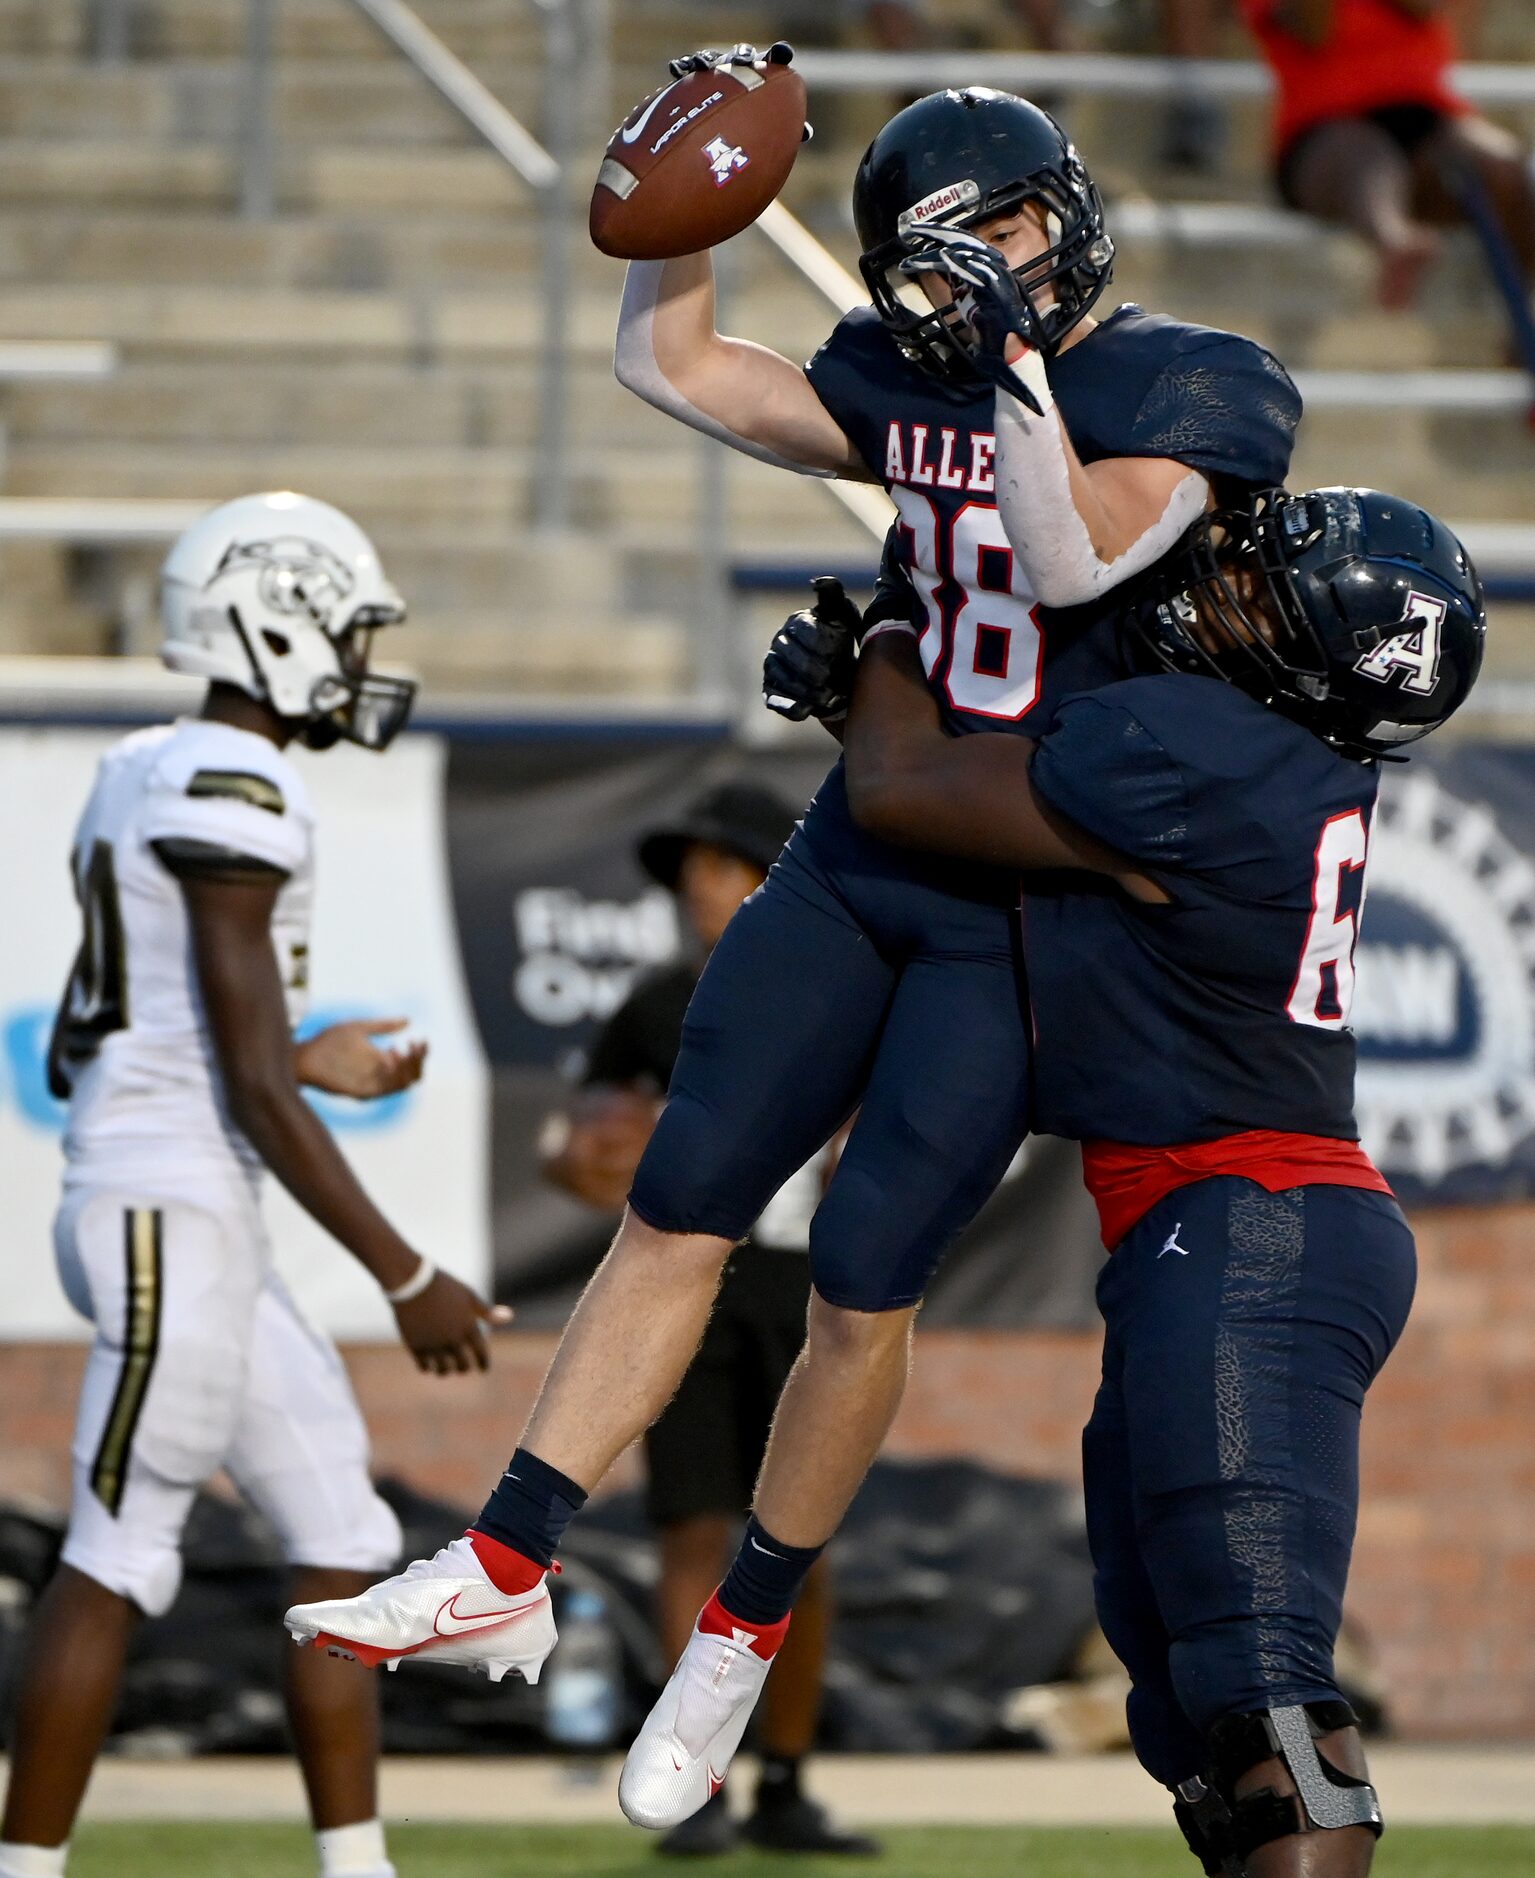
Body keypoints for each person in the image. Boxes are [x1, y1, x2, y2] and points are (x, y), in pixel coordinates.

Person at [285, 60, 1300, 1837]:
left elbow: (1070, 567)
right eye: (949, 252)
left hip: (1024, 889)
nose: (990, 262)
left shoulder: (1191, 379)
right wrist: (665, 213)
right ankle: (509, 1556)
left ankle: (741, 1635)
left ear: (1069, 214)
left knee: (859, 1278)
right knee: (681, 1196)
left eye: (1009, 226)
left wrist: (1007, 365)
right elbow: (666, 365)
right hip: (861, 848)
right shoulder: (908, 370)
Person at [778, 483, 1485, 1874]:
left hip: (1248, 1226)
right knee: (1184, 1711)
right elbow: (977, 807)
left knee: (1258, 1687)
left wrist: (887, 642)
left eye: (1254, 597)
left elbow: (905, 787)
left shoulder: (1202, 747)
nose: (1218, 591)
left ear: (1301, 657)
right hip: (1232, 1223)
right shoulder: (1255, 755)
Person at [0, 494, 505, 1878]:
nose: (351, 661)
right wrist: (408, 1273)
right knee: (117, 1548)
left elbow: (91, 1030)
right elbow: (247, 1086)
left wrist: (291, 1054)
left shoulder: (139, 765)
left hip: (172, 1196)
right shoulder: (238, 786)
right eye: (340, 631)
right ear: (269, 621)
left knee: (340, 1528)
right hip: (169, 1203)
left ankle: (356, 1866)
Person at [539, 781, 876, 1857]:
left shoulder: (842, 987)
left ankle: (784, 1776)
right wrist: (580, 1159)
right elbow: (570, 1143)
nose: (701, 893)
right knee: (689, 1525)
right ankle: (699, 1785)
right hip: (686, 1280)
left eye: (723, 869)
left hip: (797, 1284)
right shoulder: (653, 1006)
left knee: (797, 1539)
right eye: (692, 876)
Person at [1242, 0, 1535, 311]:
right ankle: (1396, 241)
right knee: (1368, 160)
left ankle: (1522, 332)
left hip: (1426, 118)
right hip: (1320, 133)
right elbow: (1315, 33)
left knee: (1503, 166)